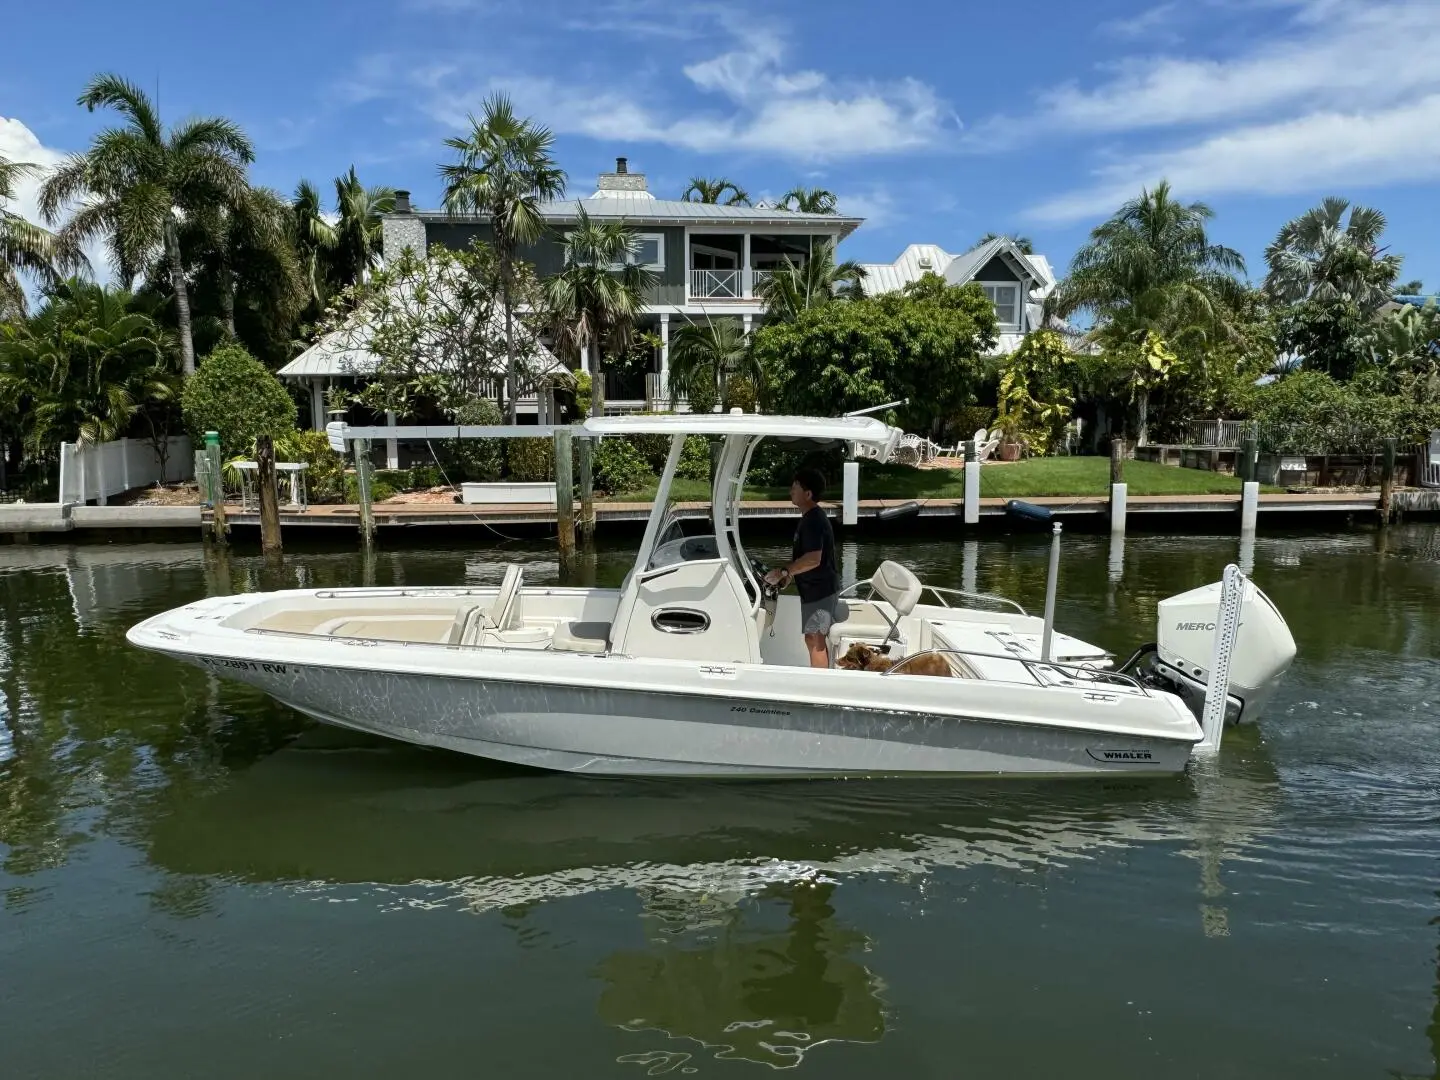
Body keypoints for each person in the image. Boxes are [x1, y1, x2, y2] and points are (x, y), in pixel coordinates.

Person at [764, 468, 842, 668]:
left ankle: (820, 691)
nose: (791, 491)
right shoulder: (809, 518)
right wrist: (789, 575)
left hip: (820, 591)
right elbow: (805, 559)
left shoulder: (814, 521)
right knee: (812, 638)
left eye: (795, 487)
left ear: (808, 494)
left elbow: (814, 559)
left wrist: (785, 571)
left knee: (816, 641)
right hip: (814, 591)